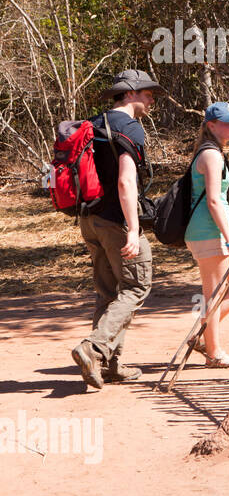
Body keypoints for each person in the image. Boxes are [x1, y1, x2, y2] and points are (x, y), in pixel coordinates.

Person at [70, 69, 160, 391]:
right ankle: (93, 349)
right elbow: (125, 181)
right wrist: (133, 230)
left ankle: (110, 366)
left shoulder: (94, 122)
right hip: (114, 221)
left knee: (109, 292)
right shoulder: (130, 128)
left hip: (88, 220)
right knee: (136, 286)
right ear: (131, 93)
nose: (151, 99)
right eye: (148, 93)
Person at [184, 102, 229, 368]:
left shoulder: (215, 153)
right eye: (227, 122)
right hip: (207, 230)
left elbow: (219, 202)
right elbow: (213, 201)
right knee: (213, 293)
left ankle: (201, 334)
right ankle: (214, 353)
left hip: (217, 228)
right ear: (210, 126)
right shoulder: (211, 155)